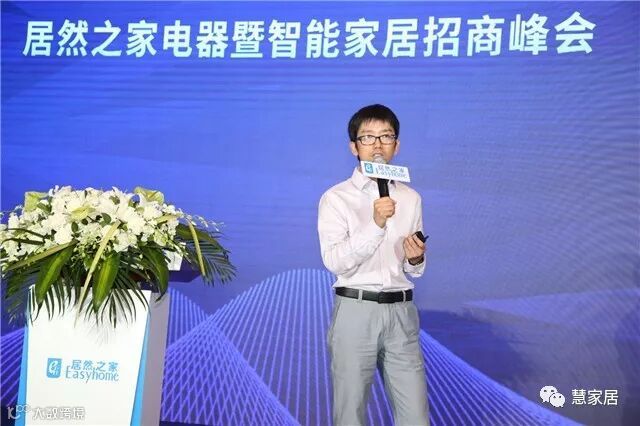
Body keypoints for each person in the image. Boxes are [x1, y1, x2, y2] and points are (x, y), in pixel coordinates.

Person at [318, 104, 429, 426]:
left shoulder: (410, 198)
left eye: (386, 137)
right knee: (350, 413)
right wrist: (376, 223)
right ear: (354, 147)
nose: (377, 145)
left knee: (416, 416)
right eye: (368, 137)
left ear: (397, 145)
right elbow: (335, 261)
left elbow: (412, 266)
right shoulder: (336, 198)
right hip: (356, 309)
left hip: (402, 312)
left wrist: (416, 257)